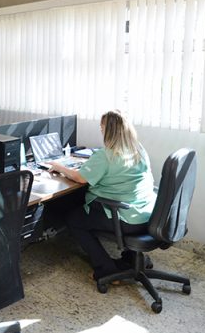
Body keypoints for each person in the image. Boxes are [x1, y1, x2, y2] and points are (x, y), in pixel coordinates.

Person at [48, 110, 156, 281]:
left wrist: (58, 166)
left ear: (108, 130)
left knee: (74, 219)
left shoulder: (106, 155)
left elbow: (80, 178)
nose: (101, 130)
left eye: (102, 127)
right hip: (146, 214)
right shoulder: (138, 149)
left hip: (124, 217)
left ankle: (106, 269)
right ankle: (131, 258)